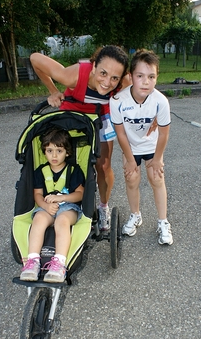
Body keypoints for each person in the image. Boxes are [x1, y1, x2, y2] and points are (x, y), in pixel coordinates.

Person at [30, 45, 129, 231]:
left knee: (103, 165)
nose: (107, 82)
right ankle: (62, 198)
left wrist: (154, 116)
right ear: (93, 67)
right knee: (60, 158)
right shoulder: (74, 75)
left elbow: (146, 87)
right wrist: (53, 90)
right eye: (103, 73)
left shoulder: (125, 81)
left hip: (100, 117)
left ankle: (103, 207)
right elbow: (35, 58)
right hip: (72, 114)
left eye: (114, 78)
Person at [110, 49, 173, 245]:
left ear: (157, 78)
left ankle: (163, 222)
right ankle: (135, 215)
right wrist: (129, 160)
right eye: (140, 76)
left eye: (151, 76)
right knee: (132, 179)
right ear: (130, 77)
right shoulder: (118, 101)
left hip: (152, 145)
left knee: (157, 178)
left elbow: (163, 133)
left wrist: (157, 159)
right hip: (130, 146)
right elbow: (120, 133)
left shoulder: (160, 101)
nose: (146, 81)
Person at [20, 128, 85, 282]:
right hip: (47, 207)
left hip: (69, 207)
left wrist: (62, 198)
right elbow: (37, 195)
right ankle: (33, 261)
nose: (54, 155)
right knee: (39, 219)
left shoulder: (74, 170)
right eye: (49, 150)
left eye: (59, 151)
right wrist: (46, 206)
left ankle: (59, 263)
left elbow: (80, 194)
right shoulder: (40, 172)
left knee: (62, 221)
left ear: (67, 152)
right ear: (44, 151)